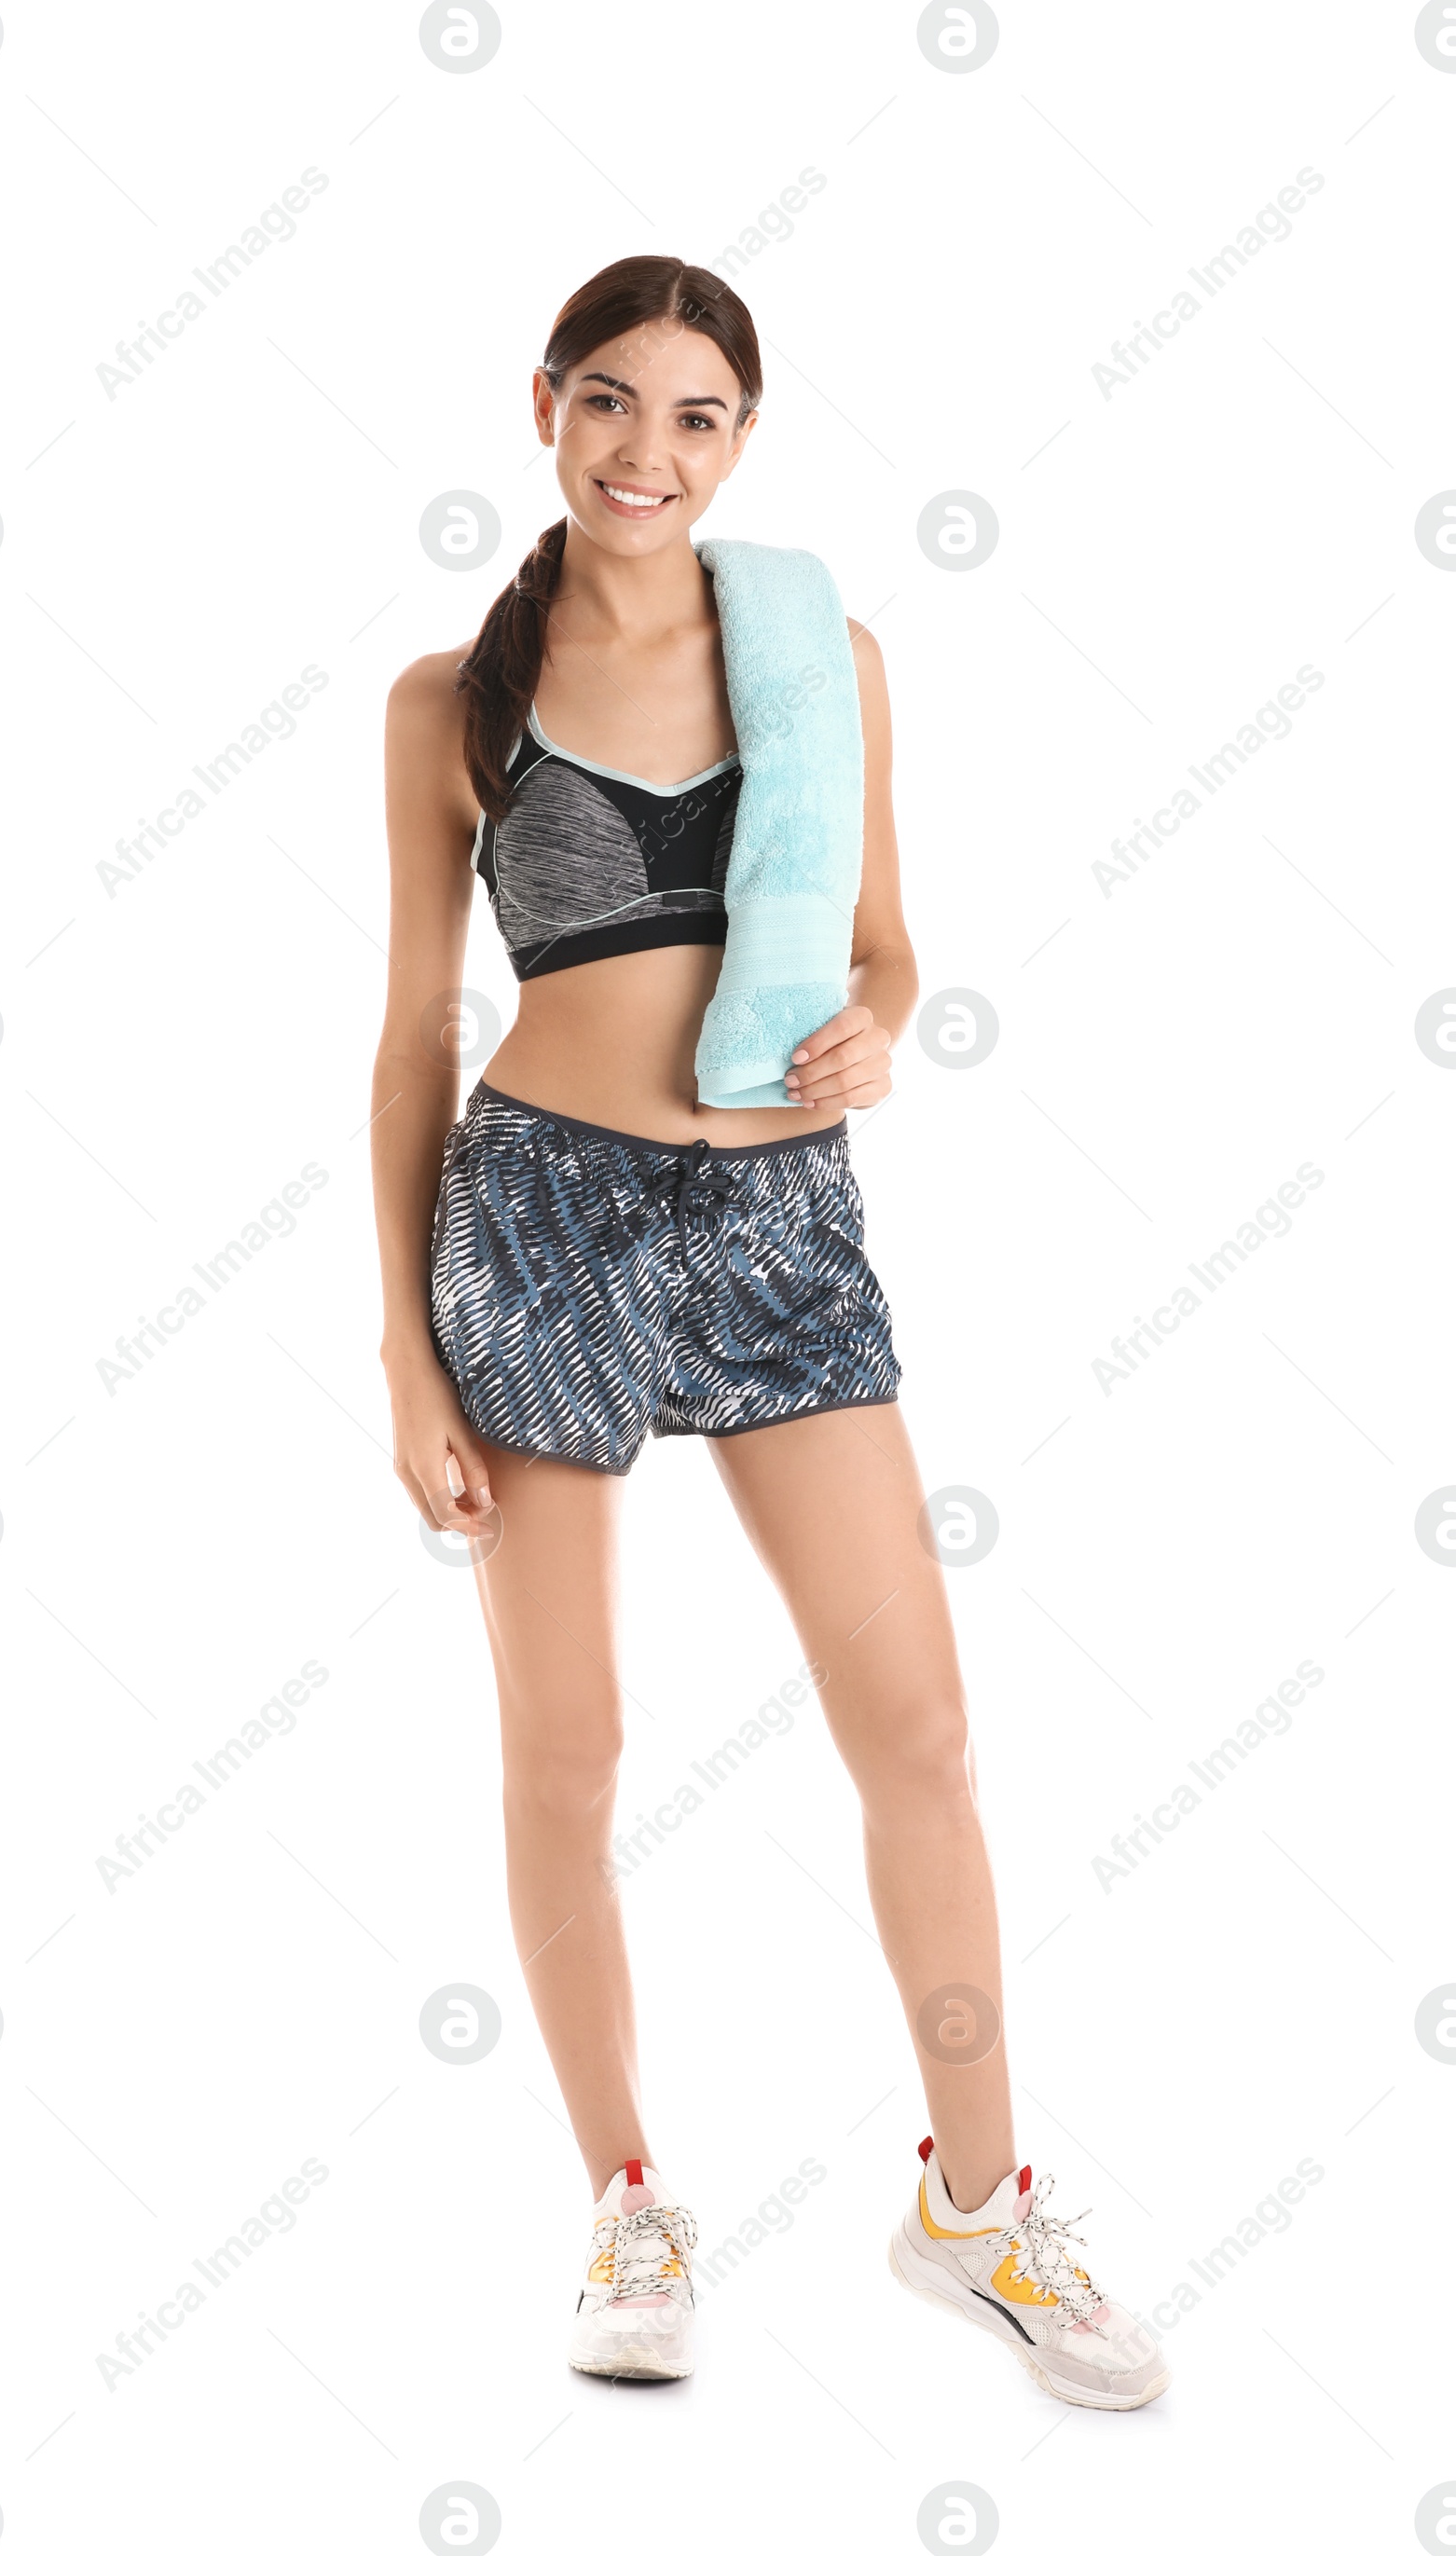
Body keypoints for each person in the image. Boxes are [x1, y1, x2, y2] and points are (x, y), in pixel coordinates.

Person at [371, 255, 1170, 2410]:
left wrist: (872, 1040)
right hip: (534, 1216)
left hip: (776, 1218)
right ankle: (626, 2200)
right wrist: (395, 1348)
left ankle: (976, 2209)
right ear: (543, 406)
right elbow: (408, 1032)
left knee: (913, 1724)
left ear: (743, 441)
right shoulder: (451, 696)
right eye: (610, 404)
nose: (648, 451)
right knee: (571, 1747)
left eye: (696, 417)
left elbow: (889, 953)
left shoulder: (825, 659)